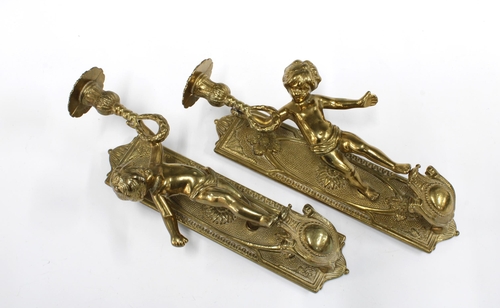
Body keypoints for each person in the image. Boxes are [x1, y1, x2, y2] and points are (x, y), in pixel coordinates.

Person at [252, 60, 410, 201]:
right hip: (324, 149)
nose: (299, 92)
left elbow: (337, 103)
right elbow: (270, 122)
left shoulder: (316, 100)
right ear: (288, 87)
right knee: (349, 170)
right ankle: (365, 189)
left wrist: (359, 103)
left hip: (336, 134)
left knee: (364, 147)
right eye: (294, 88)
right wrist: (249, 113)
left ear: (311, 87)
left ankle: (393, 165)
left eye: (304, 88)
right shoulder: (290, 109)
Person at [108, 140, 280, 246]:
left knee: (240, 196)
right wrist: (175, 235)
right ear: (142, 187)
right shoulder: (157, 192)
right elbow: (167, 215)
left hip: (208, 176)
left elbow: (155, 143)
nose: (145, 172)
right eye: (141, 178)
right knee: (228, 199)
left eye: (140, 172)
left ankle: (254, 218)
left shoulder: (155, 166)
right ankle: (263, 219)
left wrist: (143, 126)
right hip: (199, 191)